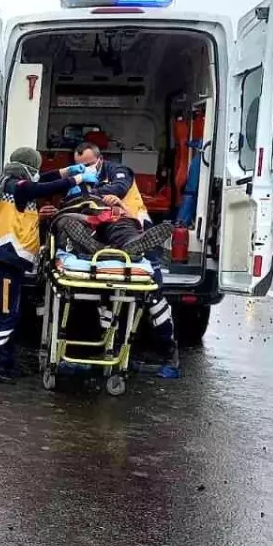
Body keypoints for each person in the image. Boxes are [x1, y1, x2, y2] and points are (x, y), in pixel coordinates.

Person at [61, 141, 180, 378]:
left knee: (153, 296)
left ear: (100, 159)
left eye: (88, 164)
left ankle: (168, 353)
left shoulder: (118, 171)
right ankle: (109, 348)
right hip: (100, 228)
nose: (85, 169)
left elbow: (119, 186)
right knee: (106, 294)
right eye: (79, 166)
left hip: (132, 224)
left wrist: (93, 194)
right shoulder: (77, 181)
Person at [0, 147, 87, 383]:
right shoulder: (14, 185)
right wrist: (77, 178)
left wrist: (67, 170)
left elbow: (43, 180)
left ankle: (6, 363)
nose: (38, 173)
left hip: (9, 261)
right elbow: (40, 188)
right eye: (35, 168)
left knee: (11, 315)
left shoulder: (12, 182)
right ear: (28, 167)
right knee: (4, 316)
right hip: (2, 260)